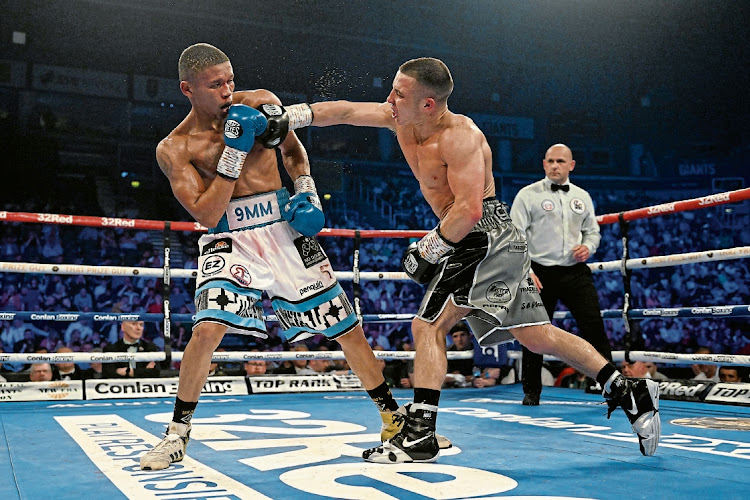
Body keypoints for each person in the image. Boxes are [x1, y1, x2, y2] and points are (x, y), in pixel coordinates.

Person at [305, 57, 660, 462]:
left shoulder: (461, 136)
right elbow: (347, 111)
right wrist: (291, 115)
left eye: (400, 94)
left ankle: (420, 434)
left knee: (427, 327)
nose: (389, 99)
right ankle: (625, 389)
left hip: (481, 236)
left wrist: (429, 248)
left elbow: (471, 209)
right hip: (482, 239)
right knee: (536, 334)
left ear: (429, 105)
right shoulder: (400, 118)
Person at [140, 43, 404, 471]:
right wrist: (234, 151)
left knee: (346, 327)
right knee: (206, 330)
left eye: (230, 79)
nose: (227, 90)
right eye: (215, 84)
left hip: (283, 226)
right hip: (230, 236)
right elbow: (206, 212)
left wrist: (306, 189)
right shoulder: (175, 148)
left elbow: (294, 154)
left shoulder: (260, 102)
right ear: (188, 88)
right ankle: (176, 437)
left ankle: (395, 419)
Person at [509, 144, 613, 406]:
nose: (555, 166)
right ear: (544, 164)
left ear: (571, 165)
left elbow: (592, 231)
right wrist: (526, 271)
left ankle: (611, 386)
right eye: (551, 161)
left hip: (574, 271)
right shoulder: (527, 195)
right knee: (534, 333)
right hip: (538, 271)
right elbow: (514, 236)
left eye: (560, 161)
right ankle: (531, 391)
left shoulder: (583, 197)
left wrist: (588, 247)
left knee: (593, 325)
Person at [443, 322, 474, 388]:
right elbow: (450, 376)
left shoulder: (477, 350)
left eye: (462, 335)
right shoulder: (448, 353)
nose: (459, 339)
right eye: (455, 336)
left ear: (469, 336)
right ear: (452, 339)